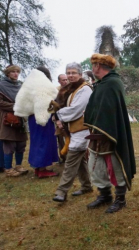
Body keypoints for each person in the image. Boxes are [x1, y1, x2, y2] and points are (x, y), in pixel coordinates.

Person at [83, 53, 136, 213]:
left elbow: (111, 110)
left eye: (93, 65)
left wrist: (104, 128)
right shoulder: (101, 84)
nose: (93, 69)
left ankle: (120, 199)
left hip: (111, 133)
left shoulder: (113, 83)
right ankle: (104, 195)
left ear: (98, 66)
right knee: (97, 164)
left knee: (115, 165)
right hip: (97, 133)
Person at [53, 63, 93, 202]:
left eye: (73, 73)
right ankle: (87, 186)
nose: (70, 75)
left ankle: (61, 191)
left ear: (80, 74)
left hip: (82, 129)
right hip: (74, 129)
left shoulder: (85, 89)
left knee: (71, 159)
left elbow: (76, 109)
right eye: (68, 72)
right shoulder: (70, 89)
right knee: (80, 160)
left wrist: (58, 114)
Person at [14, 66, 59, 178]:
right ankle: (42, 169)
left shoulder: (30, 85)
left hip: (32, 118)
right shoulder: (41, 85)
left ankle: (38, 168)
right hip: (41, 117)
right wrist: (43, 117)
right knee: (44, 142)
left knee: (37, 142)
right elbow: (42, 102)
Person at [0, 65, 28, 177]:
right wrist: (16, 106)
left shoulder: (20, 86)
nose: (16, 74)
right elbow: (0, 103)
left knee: (21, 144)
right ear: (8, 73)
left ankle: (18, 166)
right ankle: (8, 169)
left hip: (20, 118)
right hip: (7, 118)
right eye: (13, 72)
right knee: (9, 145)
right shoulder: (1, 85)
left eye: (17, 72)